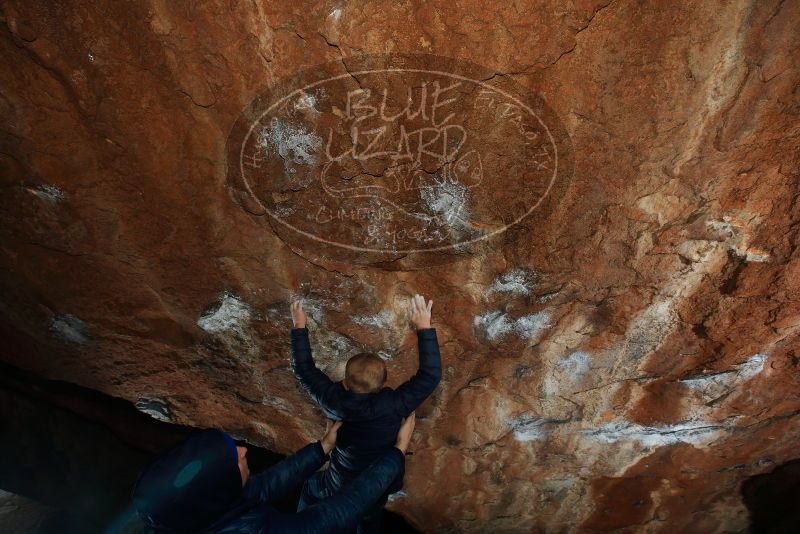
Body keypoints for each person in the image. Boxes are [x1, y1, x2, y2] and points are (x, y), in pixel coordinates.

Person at [290, 294, 442, 533]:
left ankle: (300, 524)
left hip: (339, 480)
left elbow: (304, 370)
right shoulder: (394, 405)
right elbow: (430, 375)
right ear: (383, 384)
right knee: (368, 516)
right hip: (377, 485)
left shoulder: (333, 401)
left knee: (311, 487)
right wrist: (424, 327)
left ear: (344, 382)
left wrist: (299, 326)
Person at [131, 414, 416, 533]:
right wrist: (397, 452)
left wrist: (322, 448)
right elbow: (334, 514)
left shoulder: (190, 512)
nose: (243, 450)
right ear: (221, 488)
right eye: (234, 457)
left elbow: (265, 487)